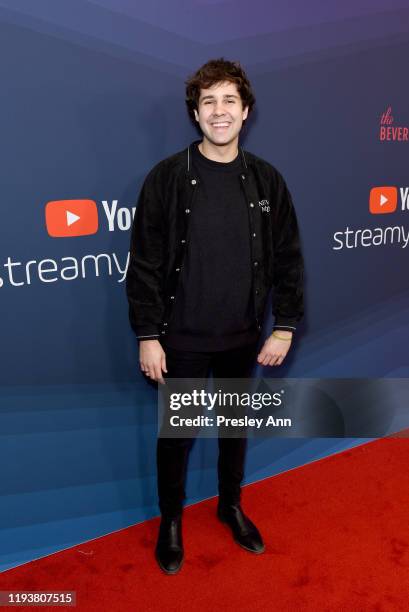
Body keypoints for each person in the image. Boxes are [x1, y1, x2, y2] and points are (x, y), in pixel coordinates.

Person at [126, 58, 304, 575]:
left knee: (233, 429)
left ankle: (230, 506)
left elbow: (289, 259)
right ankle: (172, 522)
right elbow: (145, 264)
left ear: (245, 111)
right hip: (180, 338)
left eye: (229, 101)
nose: (219, 111)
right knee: (176, 436)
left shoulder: (268, 181)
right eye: (209, 102)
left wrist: (286, 324)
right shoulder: (167, 178)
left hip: (242, 336)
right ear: (196, 113)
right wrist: (147, 335)